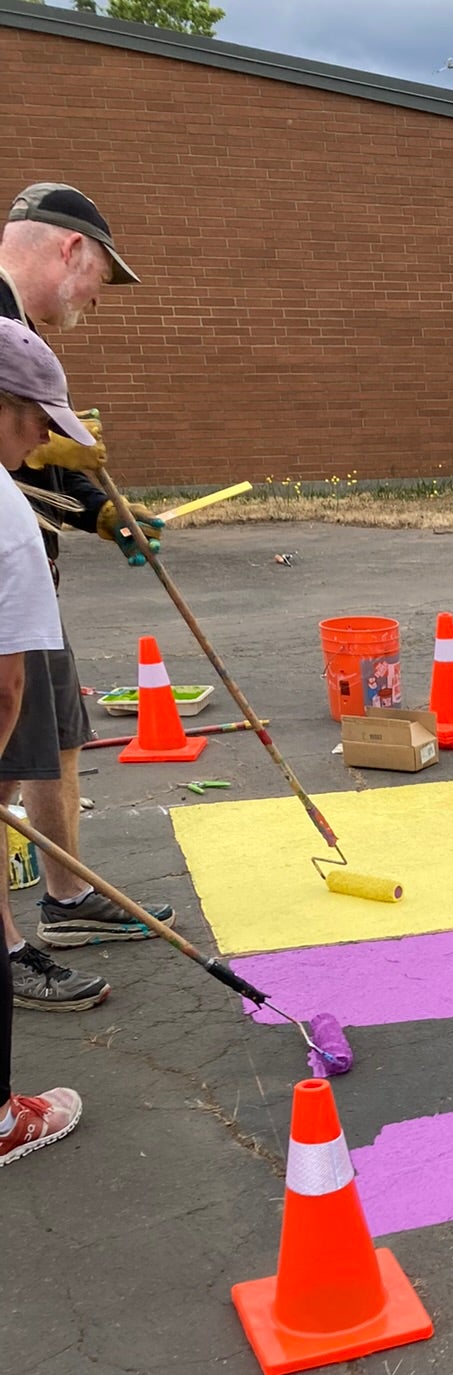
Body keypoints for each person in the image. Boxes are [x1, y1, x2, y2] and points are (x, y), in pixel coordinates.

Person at [0, 182, 173, 1014]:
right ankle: (3, 950)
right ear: (69, 250)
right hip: (6, 582)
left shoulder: (19, 329)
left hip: (31, 576)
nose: (99, 296)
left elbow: (45, 456)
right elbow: (23, 459)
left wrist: (104, 511)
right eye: (102, 273)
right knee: (1, 760)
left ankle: (67, 900)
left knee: (57, 733)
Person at [0, 321, 96, 1163]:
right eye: (37, 423)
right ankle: (3, 1118)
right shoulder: (8, 518)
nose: (42, 445)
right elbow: (7, 686)